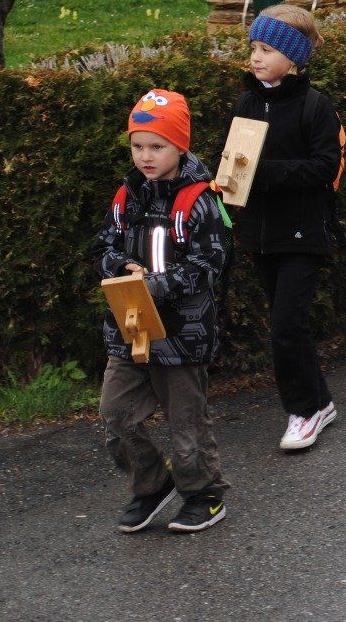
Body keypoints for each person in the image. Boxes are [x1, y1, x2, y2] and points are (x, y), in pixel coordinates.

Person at [90, 88, 231, 533]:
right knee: (116, 415)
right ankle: (151, 485)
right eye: (138, 146)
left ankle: (204, 495)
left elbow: (210, 263)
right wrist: (118, 267)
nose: (146, 157)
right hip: (130, 329)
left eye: (157, 146)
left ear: (180, 146)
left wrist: (156, 284)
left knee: (186, 424)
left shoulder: (198, 200)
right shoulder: (125, 197)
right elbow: (102, 247)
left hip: (182, 333)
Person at [227, 5, 343, 452]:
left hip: (302, 232)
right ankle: (321, 401)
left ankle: (303, 411)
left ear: (293, 58)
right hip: (260, 232)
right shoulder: (246, 103)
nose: (256, 57)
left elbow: (324, 166)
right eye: (253, 47)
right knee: (287, 323)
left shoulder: (315, 106)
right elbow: (232, 158)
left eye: (267, 49)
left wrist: (265, 173)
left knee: (286, 325)